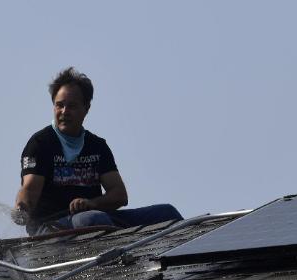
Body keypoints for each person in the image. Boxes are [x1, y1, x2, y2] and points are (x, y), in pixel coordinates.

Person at [14, 67, 183, 236]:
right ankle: (121, 255)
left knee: (167, 213)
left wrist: (91, 203)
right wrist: (22, 208)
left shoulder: (97, 145)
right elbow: (30, 189)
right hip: (53, 226)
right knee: (93, 220)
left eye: (71, 106)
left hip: (97, 216)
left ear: (86, 108)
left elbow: (119, 194)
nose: (64, 112)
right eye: (59, 105)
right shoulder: (40, 143)